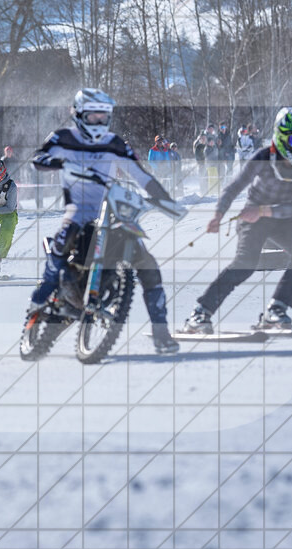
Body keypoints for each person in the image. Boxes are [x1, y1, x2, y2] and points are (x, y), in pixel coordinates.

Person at [25, 88, 186, 354]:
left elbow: (142, 176)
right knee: (66, 236)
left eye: (103, 116)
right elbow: (38, 158)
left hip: (109, 208)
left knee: (147, 264)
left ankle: (161, 333)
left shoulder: (115, 143)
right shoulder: (63, 137)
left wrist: (166, 200)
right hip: (79, 209)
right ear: (79, 115)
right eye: (93, 116)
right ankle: (45, 291)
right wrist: (60, 163)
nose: (99, 121)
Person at [181, 108, 292, 333]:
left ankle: (276, 309)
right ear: (282, 137)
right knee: (246, 263)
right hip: (252, 216)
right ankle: (200, 313)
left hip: (282, 216)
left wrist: (264, 211)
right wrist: (219, 214)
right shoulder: (264, 157)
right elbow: (234, 186)